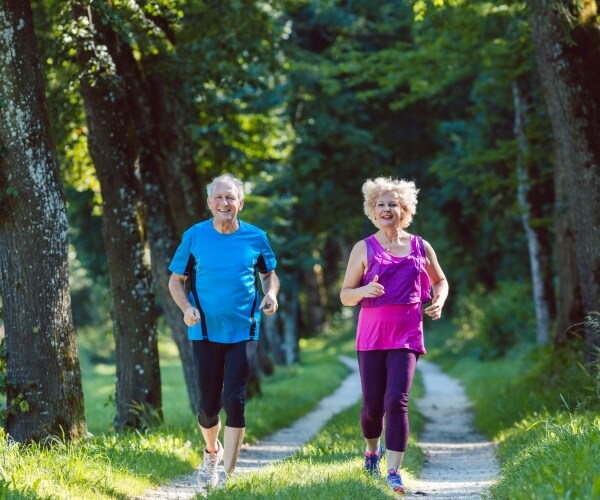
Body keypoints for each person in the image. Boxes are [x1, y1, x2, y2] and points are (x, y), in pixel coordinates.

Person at [168, 173, 280, 488]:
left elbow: (269, 275)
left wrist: (270, 294)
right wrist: (186, 308)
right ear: (209, 203)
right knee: (208, 406)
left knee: (235, 399)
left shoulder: (256, 237)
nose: (224, 203)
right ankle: (211, 450)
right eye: (218, 197)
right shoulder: (194, 236)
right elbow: (175, 281)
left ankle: (227, 477)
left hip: (244, 330)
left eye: (230, 198)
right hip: (203, 331)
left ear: (240, 203)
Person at [340, 177, 448, 494]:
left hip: (406, 336)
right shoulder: (363, 248)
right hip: (371, 337)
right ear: (372, 211)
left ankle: (393, 473)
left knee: (396, 401)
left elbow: (440, 281)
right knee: (373, 407)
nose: (387, 209)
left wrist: (439, 300)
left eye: (393, 204)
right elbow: (345, 295)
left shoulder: (420, 246)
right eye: (381, 205)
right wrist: (363, 290)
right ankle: (372, 451)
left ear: (405, 209)